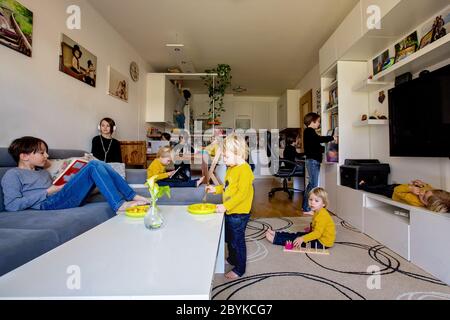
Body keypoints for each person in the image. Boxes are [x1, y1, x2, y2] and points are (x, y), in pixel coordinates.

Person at [1, 137, 149, 213]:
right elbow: (12, 205)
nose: (46, 155)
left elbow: (58, 189)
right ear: (24, 156)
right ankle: (119, 204)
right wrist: (48, 191)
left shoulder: (42, 172)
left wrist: (67, 183)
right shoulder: (13, 174)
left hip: (60, 197)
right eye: (41, 152)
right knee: (94, 165)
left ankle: (131, 195)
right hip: (47, 204)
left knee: (101, 164)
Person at [205, 134, 254, 279]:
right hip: (230, 210)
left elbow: (241, 194)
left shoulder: (244, 170)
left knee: (237, 241)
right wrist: (216, 189)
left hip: (239, 213)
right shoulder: (231, 167)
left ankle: (240, 269)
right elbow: (228, 187)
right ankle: (233, 259)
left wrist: (225, 206)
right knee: (230, 238)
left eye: (226, 157)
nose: (224, 160)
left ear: (238, 153)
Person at [266, 187, 336, 250]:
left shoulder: (322, 216)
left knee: (297, 241)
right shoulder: (318, 211)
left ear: (323, 204)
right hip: (318, 236)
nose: (312, 203)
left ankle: (276, 240)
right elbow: (316, 223)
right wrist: (309, 230)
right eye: (310, 199)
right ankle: (277, 234)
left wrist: (303, 239)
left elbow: (317, 234)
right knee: (298, 235)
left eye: (316, 201)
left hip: (322, 242)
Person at [302, 113, 335, 214]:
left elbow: (315, 145)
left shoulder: (309, 132)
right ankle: (308, 209)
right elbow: (318, 140)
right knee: (313, 185)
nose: (319, 124)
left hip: (312, 160)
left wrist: (323, 148)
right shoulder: (309, 131)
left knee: (311, 185)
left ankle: (305, 207)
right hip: (312, 161)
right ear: (312, 122)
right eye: (318, 122)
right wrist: (331, 138)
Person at [359, 179, 450, 213]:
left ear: (427, 205)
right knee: (381, 184)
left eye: (423, 198)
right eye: (426, 192)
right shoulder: (431, 192)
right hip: (402, 187)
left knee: (377, 189)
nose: (422, 193)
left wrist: (410, 189)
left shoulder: (414, 201)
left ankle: (363, 185)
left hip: (393, 192)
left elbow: (397, 191)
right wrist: (422, 184)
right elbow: (429, 187)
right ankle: (369, 183)